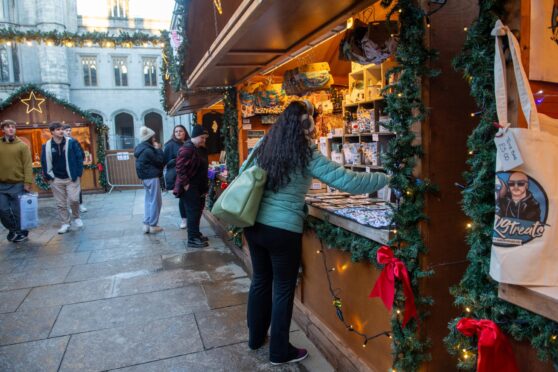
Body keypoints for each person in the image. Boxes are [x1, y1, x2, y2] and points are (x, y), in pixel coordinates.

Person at [243, 101, 388, 365]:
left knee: (261, 280)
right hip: (282, 229)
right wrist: (387, 177)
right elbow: (349, 181)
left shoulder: (265, 145)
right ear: (306, 124)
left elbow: (244, 174)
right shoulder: (305, 152)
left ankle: (255, 339)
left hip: (254, 224)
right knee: (283, 289)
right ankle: (279, 352)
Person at [41, 122, 85, 234]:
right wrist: (49, 176)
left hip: (71, 177)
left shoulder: (72, 142)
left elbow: (79, 157)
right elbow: (44, 161)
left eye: (61, 129)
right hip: (56, 178)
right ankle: (65, 223)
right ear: (52, 132)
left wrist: (78, 172)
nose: (60, 131)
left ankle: (76, 217)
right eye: (57, 129)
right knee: (60, 203)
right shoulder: (47, 145)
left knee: (74, 199)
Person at [173, 125, 209, 248]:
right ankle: (192, 239)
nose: (204, 140)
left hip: (198, 186)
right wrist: (186, 184)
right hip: (190, 186)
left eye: (205, 138)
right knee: (193, 212)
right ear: (195, 136)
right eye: (202, 138)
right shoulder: (187, 149)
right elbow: (179, 168)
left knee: (197, 211)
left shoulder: (198, 147)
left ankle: (196, 234)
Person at [0, 119, 33, 243]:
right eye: (7, 127)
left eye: (13, 127)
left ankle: (20, 232)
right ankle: (13, 230)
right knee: (2, 210)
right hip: (1, 185)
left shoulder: (22, 146)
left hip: (17, 184)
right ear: (3, 129)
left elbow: (27, 165)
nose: (11, 129)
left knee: (17, 211)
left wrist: (27, 182)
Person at [134, 126, 165, 234]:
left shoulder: (140, 148)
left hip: (145, 178)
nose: (154, 139)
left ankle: (146, 224)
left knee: (148, 201)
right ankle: (153, 225)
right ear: (149, 138)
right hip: (152, 177)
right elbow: (160, 161)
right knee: (156, 201)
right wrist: (159, 149)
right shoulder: (149, 150)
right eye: (153, 138)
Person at [164, 125, 189, 228]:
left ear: (185, 132)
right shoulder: (170, 145)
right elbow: (165, 162)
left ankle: (190, 218)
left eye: (180, 131)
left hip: (190, 174)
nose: (178, 133)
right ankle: (184, 220)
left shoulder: (189, 142)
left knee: (189, 198)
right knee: (182, 198)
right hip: (178, 175)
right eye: (176, 131)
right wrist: (177, 160)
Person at [63, 124, 87, 213]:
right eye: (66, 130)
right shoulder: (60, 142)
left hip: (74, 169)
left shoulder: (74, 141)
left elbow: (81, 154)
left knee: (77, 188)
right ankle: (69, 207)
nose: (68, 132)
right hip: (64, 171)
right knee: (66, 190)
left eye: (69, 130)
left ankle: (80, 204)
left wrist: (79, 168)